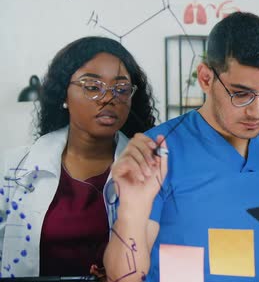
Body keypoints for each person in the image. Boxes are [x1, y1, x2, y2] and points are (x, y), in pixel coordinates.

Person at [104, 12, 259, 282]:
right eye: (241, 94)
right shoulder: (158, 152)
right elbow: (123, 277)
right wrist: (130, 213)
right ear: (206, 78)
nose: (258, 111)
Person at [0, 36, 157, 278]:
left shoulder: (152, 170)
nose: (109, 98)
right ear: (63, 94)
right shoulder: (11, 169)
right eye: (93, 87)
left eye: (121, 89)